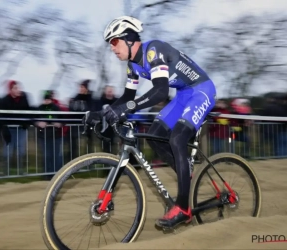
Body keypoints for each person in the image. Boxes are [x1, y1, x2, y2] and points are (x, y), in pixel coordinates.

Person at [85, 16, 217, 229]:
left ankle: (183, 209)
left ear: (129, 39)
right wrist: (102, 114)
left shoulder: (153, 50)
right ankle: (186, 172)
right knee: (155, 137)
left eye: (114, 42)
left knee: (177, 139)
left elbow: (161, 91)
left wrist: (126, 109)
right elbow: (127, 98)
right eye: (110, 44)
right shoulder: (132, 66)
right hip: (184, 94)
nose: (112, 48)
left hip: (202, 90)